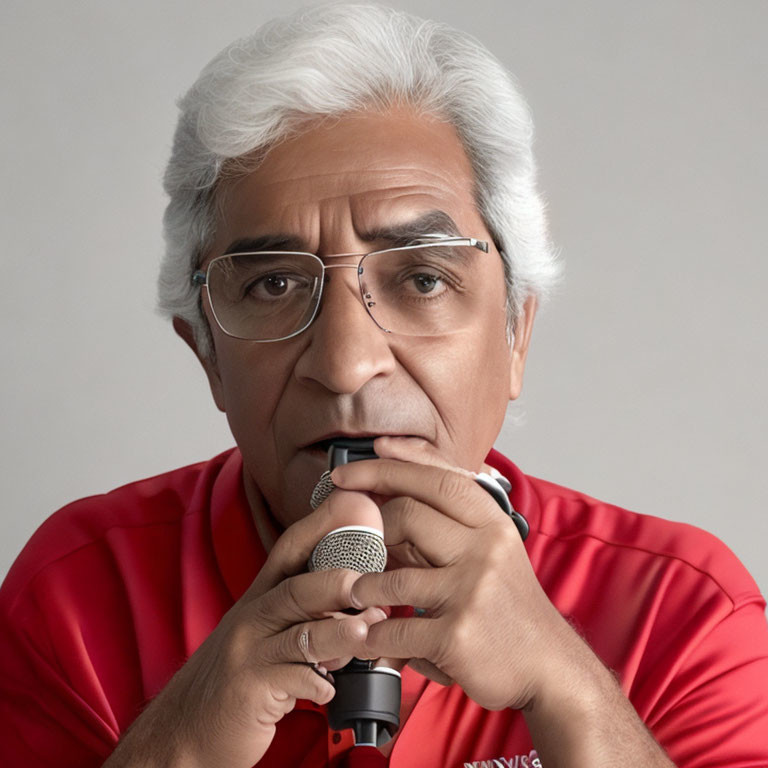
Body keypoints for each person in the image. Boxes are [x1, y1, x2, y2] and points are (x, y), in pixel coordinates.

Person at [1, 4, 767, 767]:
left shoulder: (685, 611)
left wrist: (571, 695)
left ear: (515, 334)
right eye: (271, 284)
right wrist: (180, 751)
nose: (344, 363)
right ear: (206, 354)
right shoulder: (75, 596)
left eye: (423, 277)